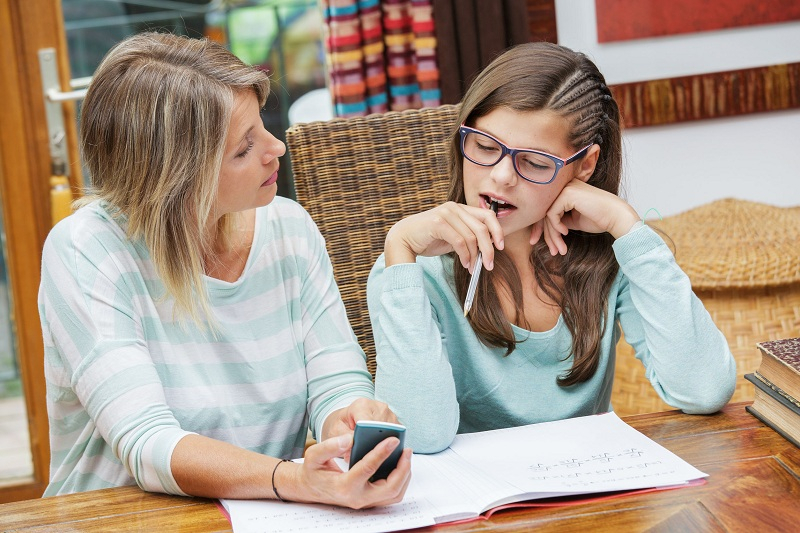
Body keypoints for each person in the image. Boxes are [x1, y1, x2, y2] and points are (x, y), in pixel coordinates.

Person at [38, 32, 411, 508]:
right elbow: (146, 443)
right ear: (174, 177)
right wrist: (293, 481)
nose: (276, 148)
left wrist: (348, 419)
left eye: (264, 126)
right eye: (243, 148)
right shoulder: (87, 249)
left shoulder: (289, 229)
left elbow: (335, 381)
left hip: (261, 513)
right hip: (117, 517)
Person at [367, 42, 737, 454]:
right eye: (485, 148)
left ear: (584, 165)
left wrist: (625, 225)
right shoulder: (411, 272)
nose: (502, 176)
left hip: (594, 503)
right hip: (484, 513)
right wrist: (398, 249)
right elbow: (421, 436)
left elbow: (704, 390)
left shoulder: (613, 259)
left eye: (536, 163)